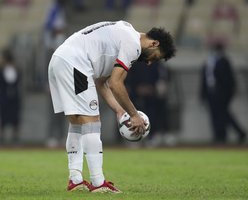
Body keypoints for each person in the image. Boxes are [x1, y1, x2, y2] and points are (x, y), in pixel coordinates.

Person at [48, 20, 176, 193]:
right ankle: (98, 182)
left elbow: (103, 83)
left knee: (77, 121)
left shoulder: (124, 31)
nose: (149, 63)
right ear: (154, 43)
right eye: (155, 57)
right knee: (92, 123)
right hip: (75, 62)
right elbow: (116, 84)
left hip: (60, 59)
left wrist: (120, 111)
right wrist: (134, 115)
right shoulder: (133, 44)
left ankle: (75, 179)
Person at [199, 42, 247, 144]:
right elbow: (205, 79)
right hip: (211, 93)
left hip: (221, 93)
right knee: (215, 115)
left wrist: (228, 93)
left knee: (223, 114)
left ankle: (227, 134)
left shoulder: (224, 61)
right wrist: (203, 94)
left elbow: (228, 79)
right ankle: (219, 135)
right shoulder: (208, 62)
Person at [0, 49, 22, 144]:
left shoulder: (16, 70)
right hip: (4, 98)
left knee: (15, 117)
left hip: (14, 97)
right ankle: (2, 136)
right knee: (4, 117)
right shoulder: (1, 70)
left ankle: (15, 136)